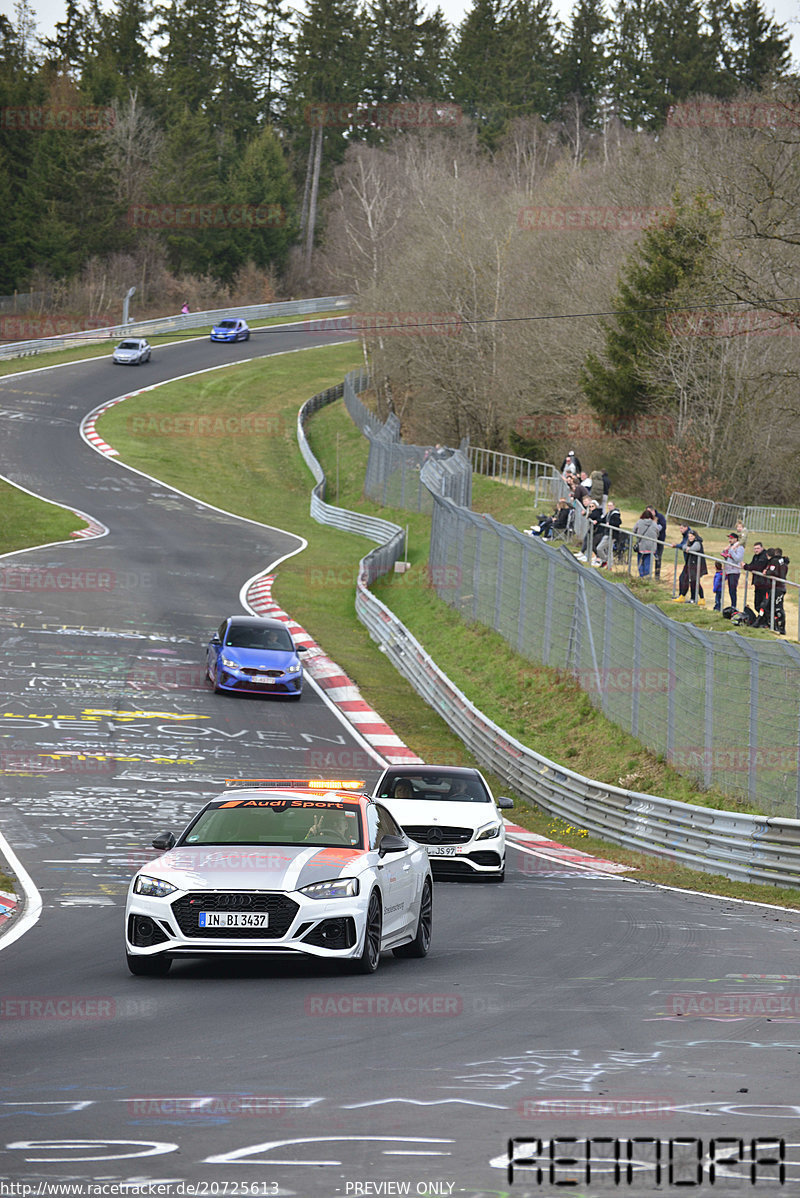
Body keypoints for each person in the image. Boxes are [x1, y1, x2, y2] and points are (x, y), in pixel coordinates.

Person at [742, 541, 769, 613]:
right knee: (757, 605)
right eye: (755, 549)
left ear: (762, 548)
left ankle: (765, 620)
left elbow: (758, 567)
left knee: (763, 604)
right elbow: (752, 565)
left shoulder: (764, 556)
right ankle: (761, 618)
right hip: (758, 583)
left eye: (758, 548)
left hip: (764, 584)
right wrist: (746, 565)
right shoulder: (756, 556)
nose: (756, 550)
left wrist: (746, 566)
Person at [632, 509, 659, 577]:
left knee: (640, 561)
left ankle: (641, 575)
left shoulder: (639, 522)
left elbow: (634, 530)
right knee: (648, 562)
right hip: (651, 546)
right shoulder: (654, 524)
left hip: (641, 545)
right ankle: (646, 576)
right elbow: (657, 533)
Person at [721, 531, 745, 609]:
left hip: (735, 571)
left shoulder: (739, 547)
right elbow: (726, 556)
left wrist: (731, 551)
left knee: (733, 589)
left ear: (736, 539)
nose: (729, 540)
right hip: (728, 570)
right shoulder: (730, 546)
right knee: (730, 589)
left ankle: (734, 606)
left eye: (731, 538)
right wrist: (725, 552)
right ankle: (732, 605)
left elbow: (738, 559)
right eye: (729, 538)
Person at [594, 501, 622, 567]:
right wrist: (597, 521)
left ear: (614, 506)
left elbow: (618, 522)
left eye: (610, 505)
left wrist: (610, 523)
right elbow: (603, 519)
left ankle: (605, 560)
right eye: (608, 505)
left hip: (611, 535)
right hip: (607, 533)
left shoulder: (616, 514)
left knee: (599, 548)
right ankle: (609, 564)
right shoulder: (609, 513)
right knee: (609, 550)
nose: (609, 507)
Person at [684, 529, 708, 603]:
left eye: (691, 536)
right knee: (693, 581)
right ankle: (693, 598)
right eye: (689, 536)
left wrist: (689, 549)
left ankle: (700, 598)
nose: (690, 538)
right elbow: (684, 546)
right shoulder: (690, 542)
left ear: (695, 536)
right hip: (692, 565)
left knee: (695, 582)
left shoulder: (697, 543)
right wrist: (687, 548)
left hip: (697, 565)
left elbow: (694, 549)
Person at [647, 506, 667, 579]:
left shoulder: (660, 517)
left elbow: (662, 527)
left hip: (659, 540)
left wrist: (654, 526)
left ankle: (657, 575)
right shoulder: (646, 517)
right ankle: (646, 574)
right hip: (649, 540)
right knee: (647, 556)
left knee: (658, 557)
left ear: (653, 511)